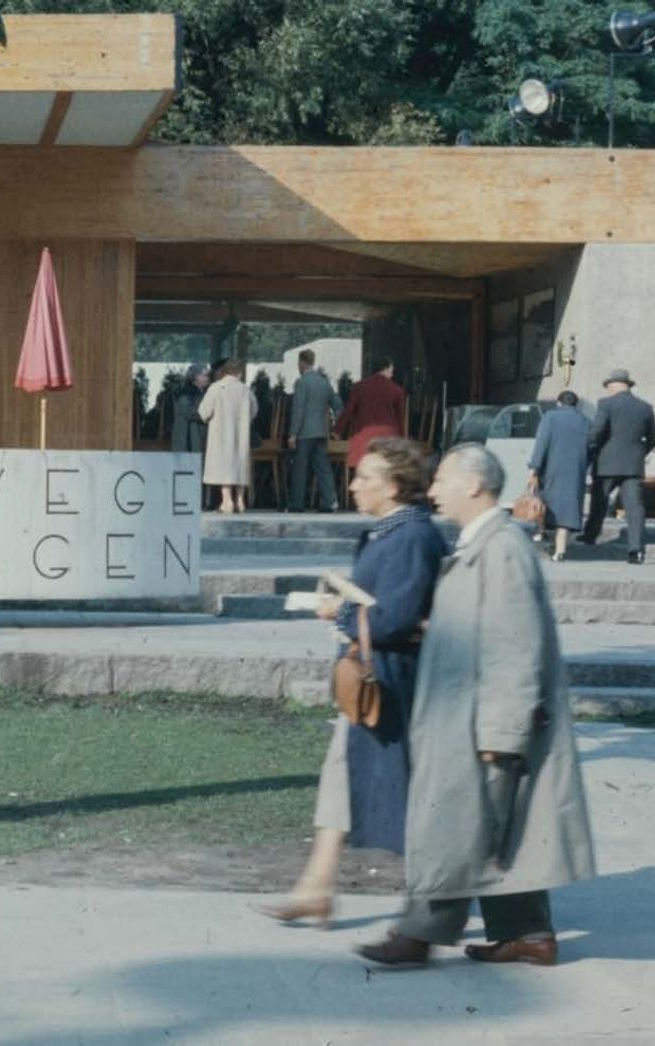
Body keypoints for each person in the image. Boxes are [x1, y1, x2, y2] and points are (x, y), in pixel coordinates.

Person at [357, 444, 596, 968]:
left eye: (441, 480)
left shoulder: (501, 549)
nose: (432, 491)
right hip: (465, 713)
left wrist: (503, 733)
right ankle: (529, 935)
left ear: (473, 485)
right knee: (497, 830)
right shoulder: (479, 543)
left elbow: (516, 645)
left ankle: (418, 934)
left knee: (455, 825)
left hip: (482, 721)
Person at [261, 438, 447, 927]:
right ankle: (316, 886)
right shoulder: (391, 533)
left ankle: (435, 905)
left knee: (402, 789)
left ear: (394, 486)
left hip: (393, 683)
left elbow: (395, 617)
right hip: (371, 678)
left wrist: (337, 611)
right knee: (341, 772)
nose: (354, 485)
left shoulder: (410, 537)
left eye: (365, 477)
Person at [578, 369, 655, 564]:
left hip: (606, 463)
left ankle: (590, 535)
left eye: (608, 386)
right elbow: (653, 439)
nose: (607, 390)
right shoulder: (645, 407)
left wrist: (590, 452)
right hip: (633, 465)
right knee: (635, 507)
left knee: (599, 501)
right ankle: (636, 550)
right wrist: (639, 454)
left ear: (613, 385)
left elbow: (596, 432)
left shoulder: (606, 404)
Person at [527, 391, 591, 562]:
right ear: (575, 404)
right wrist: (585, 466)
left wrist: (534, 467)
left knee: (545, 501)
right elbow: (591, 447)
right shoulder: (585, 421)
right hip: (575, 471)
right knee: (567, 508)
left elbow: (542, 443)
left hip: (552, 468)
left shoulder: (551, 417)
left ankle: (541, 532)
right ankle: (560, 551)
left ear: (559, 402)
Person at [196, 358, 257, 514]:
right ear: (239, 373)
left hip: (221, 433)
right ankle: (240, 500)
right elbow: (254, 410)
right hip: (241, 433)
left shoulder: (216, 388)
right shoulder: (245, 390)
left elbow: (203, 412)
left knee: (224, 464)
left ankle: (227, 500)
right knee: (240, 463)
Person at [286, 350, 341, 513]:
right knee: (323, 467)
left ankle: (297, 503)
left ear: (302, 363)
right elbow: (338, 404)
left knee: (300, 468)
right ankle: (330, 502)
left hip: (304, 432)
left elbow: (298, 410)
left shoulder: (301, 382)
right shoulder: (324, 382)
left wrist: (293, 433)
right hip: (321, 432)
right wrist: (335, 426)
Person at [335, 356, 408, 471]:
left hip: (364, 437)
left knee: (364, 468)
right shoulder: (397, 390)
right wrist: (402, 439)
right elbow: (401, 418)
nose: (392, 374)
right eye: (391, 370)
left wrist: (337, 431)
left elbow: (348, 411)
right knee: (384, 470)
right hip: (387, 438)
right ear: (386, 368)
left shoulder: (359, 387)